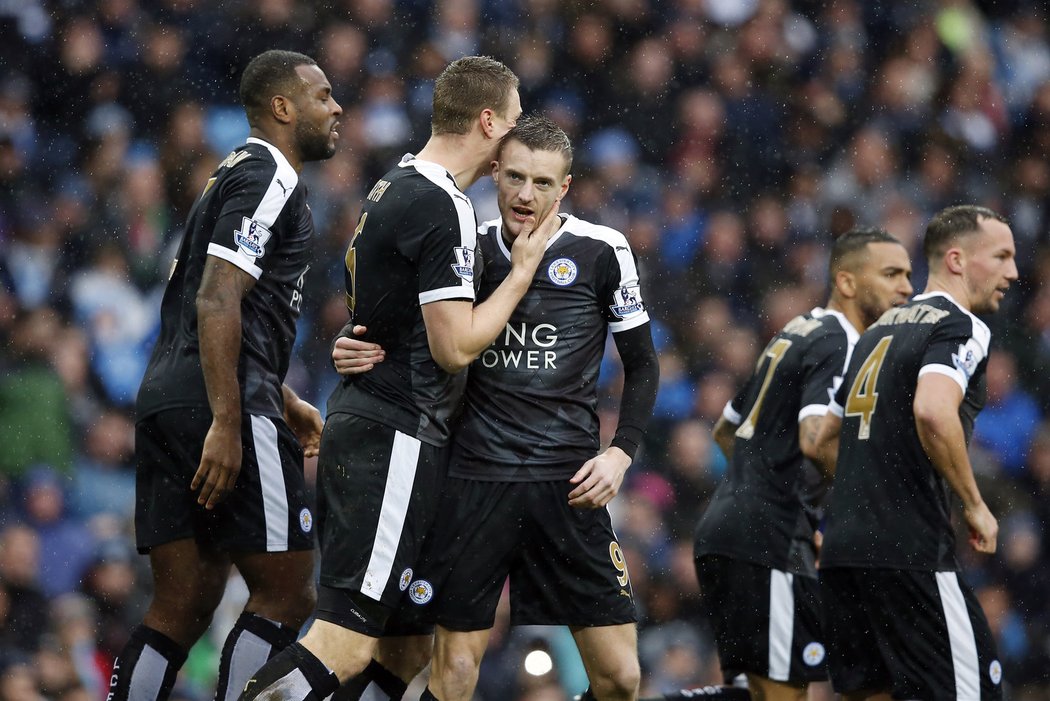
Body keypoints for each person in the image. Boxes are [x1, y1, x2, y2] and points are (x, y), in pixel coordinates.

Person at [240, 57, 563, 701]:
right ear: (489, 120)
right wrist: (525, 271)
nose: (523, 126)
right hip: (395, 439)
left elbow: (381, 316)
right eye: (517, 113)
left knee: (406, 644)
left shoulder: (398, 185)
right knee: (347, 637)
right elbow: (453, 348)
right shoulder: (443, 205)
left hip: (384, 429)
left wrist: (358, 347)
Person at [336, 115, 660, 701]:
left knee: (620, 678)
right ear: (493, 173)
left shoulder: (602, 250)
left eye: (541, 182)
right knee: (455, 674)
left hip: (568, 484)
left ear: (564, 188)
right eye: (513, 177)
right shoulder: (465, 244)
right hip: (473, 481)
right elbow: (405, 330)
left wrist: (620, 454)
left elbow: (642, 364)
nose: (524, 195)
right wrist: (352, 345)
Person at [108, 49, 342, 701]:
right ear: (282, 107)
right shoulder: (270, 174)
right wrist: (231, 418)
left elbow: (202, 305)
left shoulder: (226, 175)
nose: (337, 107)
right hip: (224, 404)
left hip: (170, 397)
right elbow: (216, 298)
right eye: (323, 95)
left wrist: (284, 390)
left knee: (183, 602)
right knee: (288, 590)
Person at [692, 228, 912, 701]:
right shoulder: (843, 342)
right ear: (847, 282)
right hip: (767, 542)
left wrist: (767, 493)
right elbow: (816, 440)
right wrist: (859, 509)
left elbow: (726, 431)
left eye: (909, 275)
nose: (907, 288)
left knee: (756, 691)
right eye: (892, 274)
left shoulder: (797, 330)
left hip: (729, 532)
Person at [812, 205, 1017, 699]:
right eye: (1002, 256)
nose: (1013, 272)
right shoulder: (959, 325)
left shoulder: (877, 331)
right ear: (957, 260)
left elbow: (823, 438)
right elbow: (933, 410)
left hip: (844, 552)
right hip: (909, 552)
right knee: (973, 691)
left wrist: (866, 496)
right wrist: (974, 504)